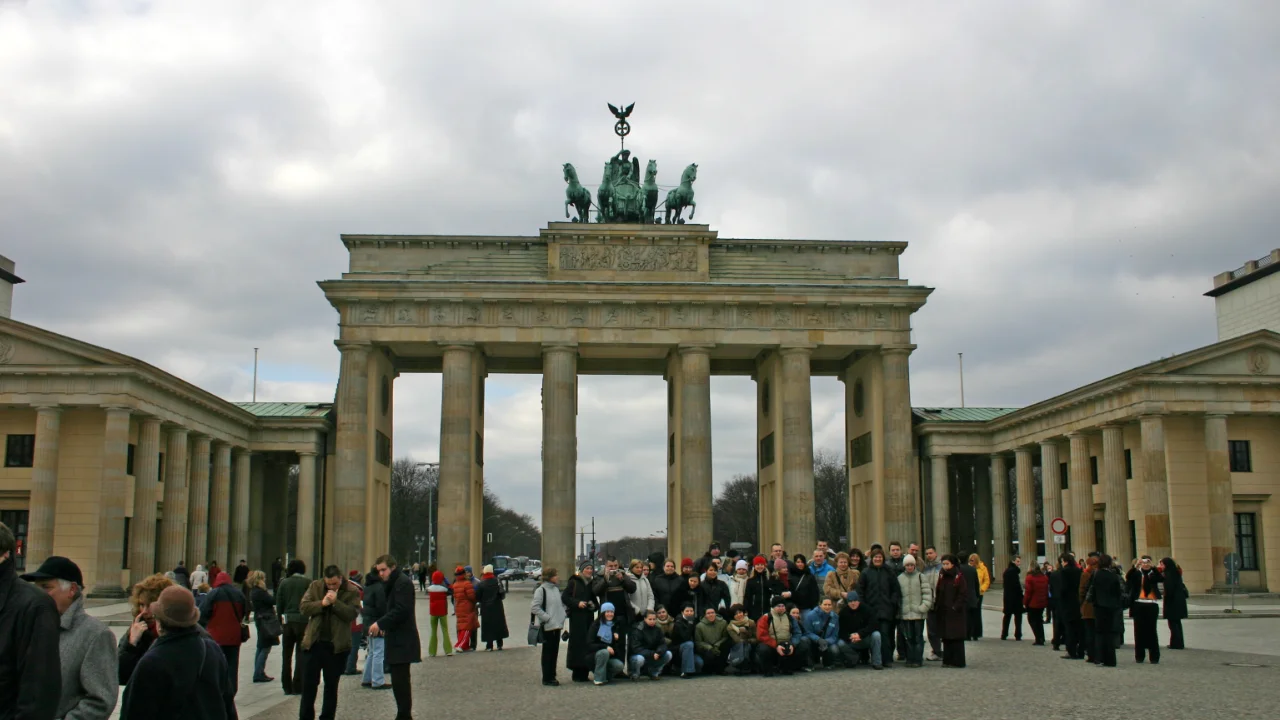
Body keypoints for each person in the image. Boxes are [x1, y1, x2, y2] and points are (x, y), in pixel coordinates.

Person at [118, 585, 237, 719]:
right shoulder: (211, 648)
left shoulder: (153, 661)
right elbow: (227, 701)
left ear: (159, 621)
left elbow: (133, 712)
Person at [20, 556, 116, 719]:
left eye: (46, 587)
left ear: (71, 590)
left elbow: (100, 701)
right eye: (36, 588)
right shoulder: (29, 626)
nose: (37, 594)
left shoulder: (95, 634)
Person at [298, 565, 360, 720]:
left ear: (341, 578)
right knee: (308, 686)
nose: (331, 587)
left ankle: (327, 717)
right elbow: (304, 607)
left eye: (334, 583)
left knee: (331, 687)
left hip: (336, 646)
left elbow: (351, 614)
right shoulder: (316, 586)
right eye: (328, 584)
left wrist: (335, 603)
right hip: (314, 643)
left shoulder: (352, 591)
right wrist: (322, 604)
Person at [368, 555, 420, 720]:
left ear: (392, 567)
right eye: (379, 571)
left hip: (403, 640)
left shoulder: (402, 583)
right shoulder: (394, 583)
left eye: (383, 570)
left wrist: (380, 624)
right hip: (397, 639)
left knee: (401, 681)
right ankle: (403, 714)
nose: (381, 574)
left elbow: (401, 610)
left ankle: (404, 715)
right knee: (399, 682)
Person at [117, 573, 174, 685]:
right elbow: (120, 675)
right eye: (142, 605)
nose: (145, 611)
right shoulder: (136, 629)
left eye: (150, 606)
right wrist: (132, 643)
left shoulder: (177, 631)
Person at [198, 570, 247, 696]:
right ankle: (231, 690)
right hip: (234, 635)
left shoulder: (213, 593)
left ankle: (218, 689)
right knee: (232, 664)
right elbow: (246, 611)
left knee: (216, 664)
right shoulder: (239, 594)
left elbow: (203, 613)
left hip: (216, 635)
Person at [855, 548, 900, 668]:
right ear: (872, 558)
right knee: (873, 635)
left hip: (886, 608)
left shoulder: (889, 572)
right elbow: (860, 591)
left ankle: (886, 659)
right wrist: (863, 606)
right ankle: (875, 659)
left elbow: (896, 590)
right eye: (875, 557)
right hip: (870, 609)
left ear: (883, 558)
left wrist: (892, 602)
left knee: (885, 635)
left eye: (880, 557)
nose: (878, 559)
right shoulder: (865, 572)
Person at [275, 559, 310, 695]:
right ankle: (298, 684)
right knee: (301, 655)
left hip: (288, 620)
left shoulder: (284, 582)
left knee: (286, 654)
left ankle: (286, 685)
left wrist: (281, 620)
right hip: (303, 620)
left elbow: (279, 603)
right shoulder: (308, 582)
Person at [561, 563, 598, 682]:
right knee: (577, 644)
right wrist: (577, 603)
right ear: (582, 570)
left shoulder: (591, 584)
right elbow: (565, 597)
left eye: (591, 568)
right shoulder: (574, 582)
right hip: (576, 618)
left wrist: (593, 606)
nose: (590, 570)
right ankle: (576, 671)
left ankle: (585, 670)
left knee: (588, 642)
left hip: (588, 617)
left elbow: (595, 602)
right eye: (587, 568)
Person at [242, 570, 278, 684]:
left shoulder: (254, 591)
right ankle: (258, 673)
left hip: (260, 619)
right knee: (265, 647)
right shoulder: (260, 592)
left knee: (261, 646)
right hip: (265, 620)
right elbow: (272, 600)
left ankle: (259, 672)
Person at [531, 568, 565, 686]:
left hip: (557, 625)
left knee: (554, 651)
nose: (558, 577)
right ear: (550, 577)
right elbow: (535, 607)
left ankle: (552, 674)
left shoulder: (555, 589)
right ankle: (547, 676)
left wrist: (563, 615)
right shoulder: (541, 590)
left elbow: (559, 605)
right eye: (556, 575)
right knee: (547, 652)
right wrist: (547, 618)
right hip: (548, 626)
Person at [897, 554, 933, 667]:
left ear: (914, 565)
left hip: (918, 614)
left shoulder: (921, 577)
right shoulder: (900, 578)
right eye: (907, 565)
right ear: (904, 566)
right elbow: (898, 596)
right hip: (906, 613)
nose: (909, 567)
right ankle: (909, 658)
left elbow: (927, 594)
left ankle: (917, 659)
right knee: (908, 637)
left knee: (918, 637)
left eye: (911, 565)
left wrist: (923, 607)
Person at [1089, 554, 1124, 667]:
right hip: (1111, 606)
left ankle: (1099, 658)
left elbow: (1092, 589)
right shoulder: (1113, 575)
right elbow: (1118, 592)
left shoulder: (1096, 575)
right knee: (1109, 633)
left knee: (1099, 632)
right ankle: (1111, 659)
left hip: (1099, 605)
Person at [754, 596, 804, 677]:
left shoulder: (790, 618)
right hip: (771, 644)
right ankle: (767, 669)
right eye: (778, 606)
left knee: (803, 644)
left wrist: (792, 644)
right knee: (763, 648)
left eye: (783, 606)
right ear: (773, 607)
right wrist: (776, 645)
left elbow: (797, 633)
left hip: (787, 643)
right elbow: (761, 635)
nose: (781, 608)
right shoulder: (766, 618)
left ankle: (788, 667)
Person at [1126, 555, 1162, 664]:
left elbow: (1161, 578)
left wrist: (1154, 567)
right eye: (1143, 562)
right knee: (1138, 631)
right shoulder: (1137, 574)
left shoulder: (1153, 574)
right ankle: (1139, 656)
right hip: (1138, 603)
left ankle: (1154, 656)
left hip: (1151, 604)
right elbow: (1128, 577)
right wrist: (1135, 566)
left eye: (1147, 562)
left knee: (1152, 630)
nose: (1145, 565)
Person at [935, 554, 969, 668]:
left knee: (956, 638)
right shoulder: (942, 576)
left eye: (947, 564)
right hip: (944, 611)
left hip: (955, 613)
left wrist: (955, 607)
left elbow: (963, 594)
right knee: (946, 637)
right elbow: (939, 591)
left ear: (952, 564)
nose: (945, 566)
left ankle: (958, 661)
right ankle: (947, 660)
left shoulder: (958, 576)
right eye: (943, 564)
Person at [358, 566, 387, 688]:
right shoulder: (379, 588)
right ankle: (377, 680)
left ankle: (367, 678)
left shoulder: (368, 587)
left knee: (372, 652)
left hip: (367, 622)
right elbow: (382, 608)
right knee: (378, 653)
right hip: (377, 622)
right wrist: (384, 624)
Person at [836, 591, 881, 669]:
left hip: (865, 638)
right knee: (840, 643)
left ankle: (877, 662)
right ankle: (854, 658)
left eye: (855, 601)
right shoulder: (843, 613)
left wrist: (860, 634)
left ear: (858, 601)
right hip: (852, 640)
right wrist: (850, 637)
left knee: (876, 635)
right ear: (847, 602)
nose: (853, 603)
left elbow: (874, 625)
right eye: (850, 601)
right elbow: (841, 631)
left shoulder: (867, 609)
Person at [586, 603, 626, 685]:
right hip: (594, 655)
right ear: (602, 613)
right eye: (607, 612)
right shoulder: (595, 625)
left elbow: (618, 648)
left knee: (619, 665)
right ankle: (598, 679)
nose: (610, 614)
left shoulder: (616, 625)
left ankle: (605, 676)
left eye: (611, 612)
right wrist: (605, 647)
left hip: (610, 656)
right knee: (604, 652)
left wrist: (617, 640)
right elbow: (590, 644)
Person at [592, 557, 637, 630]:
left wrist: (623, 579)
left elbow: (632, 589)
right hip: (607, 614)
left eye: (615, 565)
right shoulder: (599, 576)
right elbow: (595, 591)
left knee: (622, 637)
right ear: (606, 566)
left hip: (622, 613)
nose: (613, 568)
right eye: (610, 566)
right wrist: (605, 580)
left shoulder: (623, 574)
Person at [628, 609, 670, 680]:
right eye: (650, 619)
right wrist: (651, 653)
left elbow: (662, 644)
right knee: (639, 659)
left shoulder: (658, 629)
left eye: (654, 619)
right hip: (638, 655)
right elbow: (636, 648)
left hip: (653, 655)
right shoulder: (638, 629)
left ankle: (654, 672)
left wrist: (659, 652)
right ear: (645, 619)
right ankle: (635, 673)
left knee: (668, 654)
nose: (652, 621)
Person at [1056, 553, 1084, 661]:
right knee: (1078, 628)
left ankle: (1071, 651)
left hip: (1067, 602)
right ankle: (1080, 651)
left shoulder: (1064, 572)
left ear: (1065, 561)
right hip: (1077, 602)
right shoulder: (1078, 571)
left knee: (1069, 628)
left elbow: (1063, 588)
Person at [475, 564, 509, 652]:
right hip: (497, 607)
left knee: (488, 627)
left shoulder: (481, 583)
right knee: (498, 625)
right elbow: (502, 594)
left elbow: (477, 596)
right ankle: (499, 644)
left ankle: (489, 645)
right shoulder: (497, 581)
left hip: (486, 608)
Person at [801, 597, 841, 669]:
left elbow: (835, 635)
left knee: (835, 649)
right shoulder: (810, 615)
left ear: (832, 606)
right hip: (813, 641)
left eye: (829, 605)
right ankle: (809, 663)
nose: (827, 607)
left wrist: (826, 641)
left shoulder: (835, 617)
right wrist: (818, 639)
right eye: (825, 604)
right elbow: (807, 632)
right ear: (820, 605)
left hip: (826, 642)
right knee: (804, 640)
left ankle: (829, 663)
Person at [920, 546, 944, 661]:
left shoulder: (942, 567)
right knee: (931, 629)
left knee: (942, 628)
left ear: (936, 553)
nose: (929, 555)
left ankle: (942, 650)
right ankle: (936, 651)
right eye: (927, 553)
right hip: (930, 603)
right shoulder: (926, 568)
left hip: (941, 602)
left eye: (931, 553)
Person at [1159, 557, 1188, 650]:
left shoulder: (1169, 574)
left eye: (1162, 564)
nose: (1161, 566)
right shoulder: (1176, 572)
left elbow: (1169, 589)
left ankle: (1176, 643)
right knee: (1177, 623)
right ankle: (1179, 642)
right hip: (1178, 601)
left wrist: (1166, 598)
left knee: (1173, 623)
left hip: (1172, 602)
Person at [694, 605, 731, 675]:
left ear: (716, 613)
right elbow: (698, 642)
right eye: (708, 613)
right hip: (707, 648)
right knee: (709, 654)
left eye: (712, 612)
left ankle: (721, 669)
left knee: (727, 644)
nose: (711, 615)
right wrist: (709, 647)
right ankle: (708, 669)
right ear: (705, 615)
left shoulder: (723, 623)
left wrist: (718, 644)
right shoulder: (699, 626)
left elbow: (725, 637)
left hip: (718, 645)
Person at [450, 566, 478, 653]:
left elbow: (454, 597)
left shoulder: (455, 584)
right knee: (467, 627)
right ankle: (460, 644)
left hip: (459, 607)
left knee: (461, 626)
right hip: (467, 607)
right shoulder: (467, 584)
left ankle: (464, 646)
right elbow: (472, 596)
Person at [1077, 554, 1098, 663]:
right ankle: (1097, 654)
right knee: (1096, 632)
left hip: (1087, 606)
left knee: (1089, 632)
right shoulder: (1098, 573)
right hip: (1097, 606)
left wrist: (1080, 604)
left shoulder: (1086, 574)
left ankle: (1091, 655)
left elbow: (1082, 590)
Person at [425, 571, 451, 658]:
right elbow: (451, 590)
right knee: (445, 630)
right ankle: (448, 650)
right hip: (442, 611)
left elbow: (426, 591)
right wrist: (446, 581)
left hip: (433, 612)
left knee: (433, 631)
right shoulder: (444, 589)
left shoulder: (430, 589)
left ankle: (432, 651)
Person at [724, 604, 757, 674]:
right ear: (733, 616)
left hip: (751, 643)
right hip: (737, 646)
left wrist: (746, 632)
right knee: (742, 645)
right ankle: (739, 665)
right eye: (736, 614)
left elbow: (756, 637)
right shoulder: (730, 626)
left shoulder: (751, 622)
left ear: (743, 613)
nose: (739, 615)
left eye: (740, 612)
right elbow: (737, 640)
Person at [1023, 563, 1050, 646]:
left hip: (1033, 603)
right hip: (1042, 602)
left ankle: (1038, 638)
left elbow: (1028, 592)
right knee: (1039, 620)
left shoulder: (1030, 578)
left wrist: (1024, 602)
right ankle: (1042, 637)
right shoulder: (1044, 577)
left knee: (1032, 620)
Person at [671, 603, 701, 678]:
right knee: (689, 644)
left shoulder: (695, 621)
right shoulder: (678, 623)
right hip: (678, 649)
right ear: (682, 612)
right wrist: (690, 624)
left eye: (691, 611)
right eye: (687, 611)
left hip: (691, 650)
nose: (689, 613)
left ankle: (679, 668)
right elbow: (685, 638)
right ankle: (685, 672)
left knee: (699, 663)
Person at [967, 553, 990, 640]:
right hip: (970, 592)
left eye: (972, 560)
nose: (971, 562)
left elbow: (986, 581)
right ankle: (969, 632)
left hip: (979, 593)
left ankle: (976, 633)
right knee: (969, 613)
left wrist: (982, 589)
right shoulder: (968, 568)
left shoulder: (983, 568)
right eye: (970, 560)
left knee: (977, 613)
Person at [1001, 556, 1024, 641]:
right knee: (1018, 617)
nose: (1019, 563)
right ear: (1013, 561)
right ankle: (1018, 634)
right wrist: (1022, 596)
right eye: (1017, 561)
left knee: (1007, 616)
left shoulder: (1007, 571)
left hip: (1007, 597)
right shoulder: (1014, 572)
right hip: (1016, 597)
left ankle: (1004, 634)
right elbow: (1016, 586)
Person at [959, 554, 981, 641]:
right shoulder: (973, 569)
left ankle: (967, 635)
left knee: (965, 616)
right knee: (973, 616)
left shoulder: (958, 569)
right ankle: (975, 634)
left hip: (963, 595)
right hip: (972, 595)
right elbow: (976, 583)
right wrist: (977, 595)